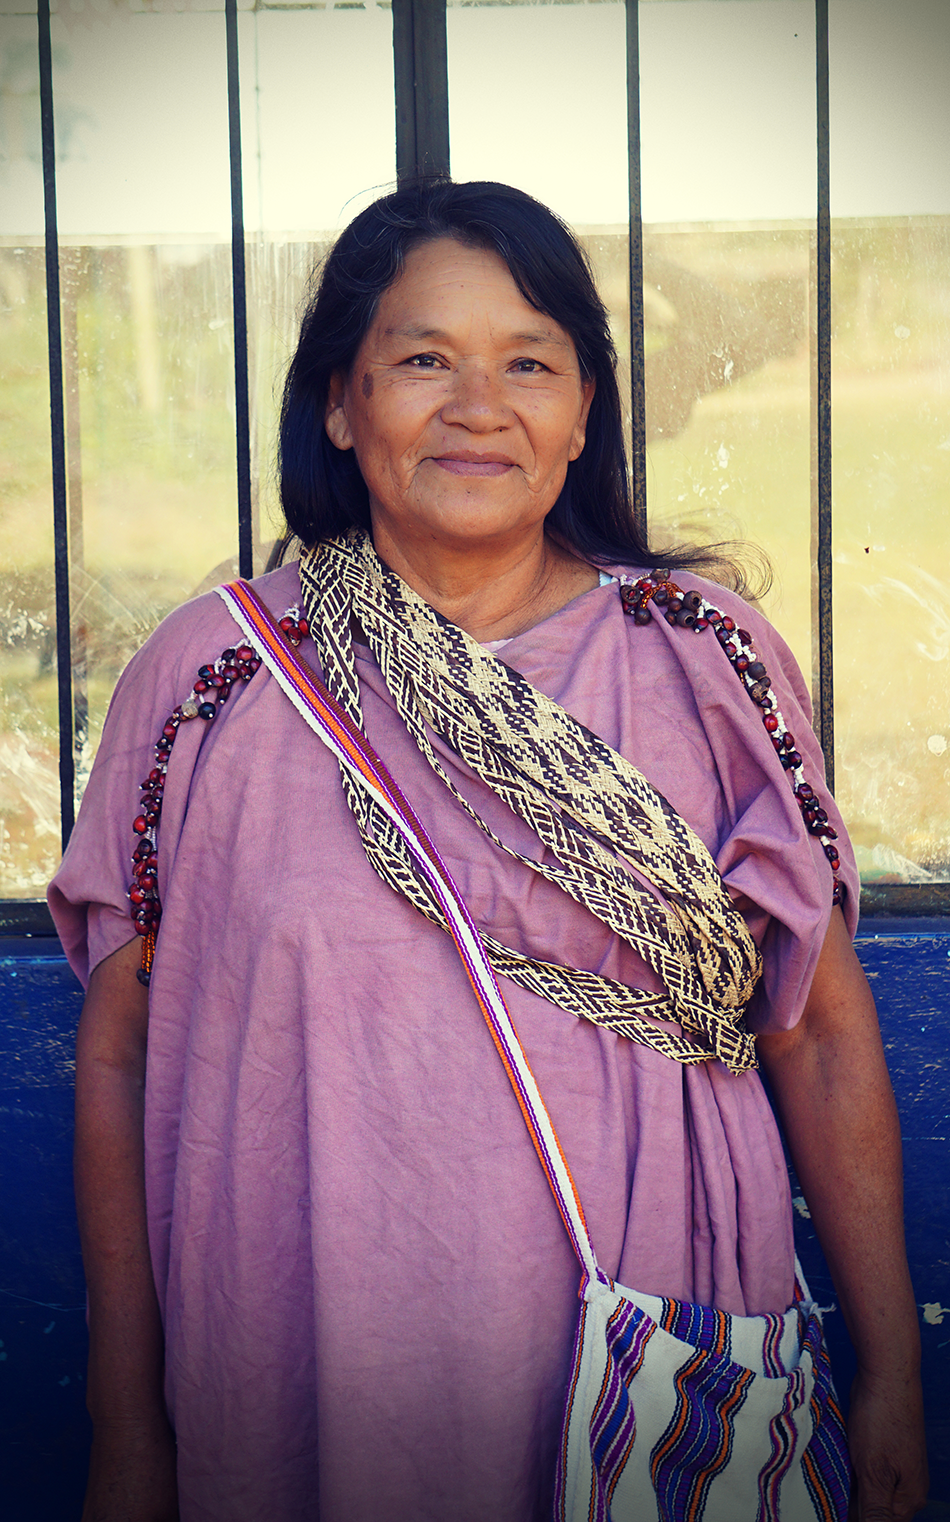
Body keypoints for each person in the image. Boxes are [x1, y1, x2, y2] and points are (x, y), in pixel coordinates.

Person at [50, 180, 927, 1522]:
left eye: (529, 362)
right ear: (341, 404)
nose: (478, 404)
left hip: (653, 1357)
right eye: (420, 360)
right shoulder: (216, 672)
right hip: (299, 1369)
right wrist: (126, 1427)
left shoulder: (699, 658)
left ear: (582, 414)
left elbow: (811, 1026)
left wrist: (890, 1374)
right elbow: (119, 1049)